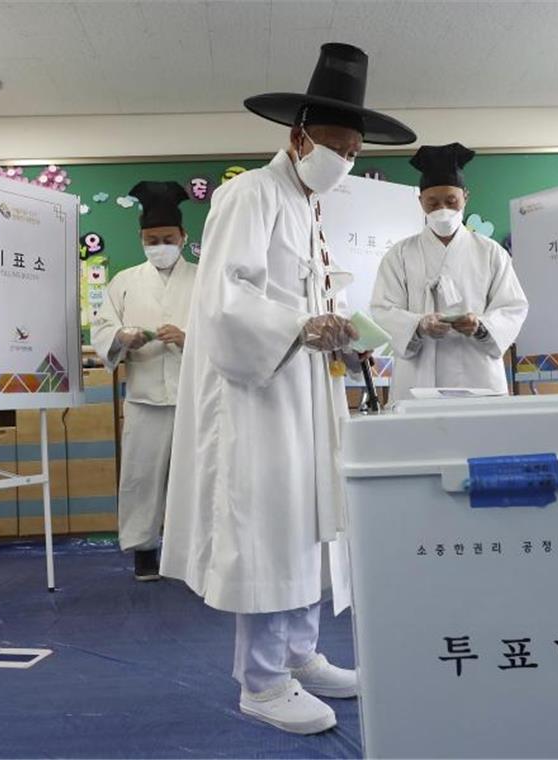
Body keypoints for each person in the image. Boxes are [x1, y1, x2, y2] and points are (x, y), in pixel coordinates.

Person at [158, 43, 416, 734]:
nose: (345, 159)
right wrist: (304, 326)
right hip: (256, 397)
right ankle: (263, 680)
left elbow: (302, 300)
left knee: (307, 519)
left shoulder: (305, 207)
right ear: (298, 136)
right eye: (335, 143)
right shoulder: (252, 195)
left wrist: (336, 328)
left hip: (302, 391)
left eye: (355, 150)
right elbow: (225, 301)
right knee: (268, 526)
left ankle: (301, 653)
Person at [90, 181, 196, 582]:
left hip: (193, 397)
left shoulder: (204, 279)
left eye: (168, 238)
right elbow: (103, 329)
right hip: (145, 396)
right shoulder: (123, 281)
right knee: (141, 476)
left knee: (196, 477)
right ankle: (144, 551)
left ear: (183, 238)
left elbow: (221, 332)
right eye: (152, 240)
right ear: (141, 239)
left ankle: (192, 553)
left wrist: (188, 339)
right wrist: (122, 337)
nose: (160, 245)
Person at [370, 143, 528, 401]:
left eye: (451, 201)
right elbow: (382, 308)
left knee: (480, 439)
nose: (442, 209)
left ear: (466, 196)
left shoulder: (491, 253)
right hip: (417, 375)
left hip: (478, 373)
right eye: (432, 202)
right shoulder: (399, 254)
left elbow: (513, 307)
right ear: (420, 201)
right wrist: (418, 325)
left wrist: (481, 326)